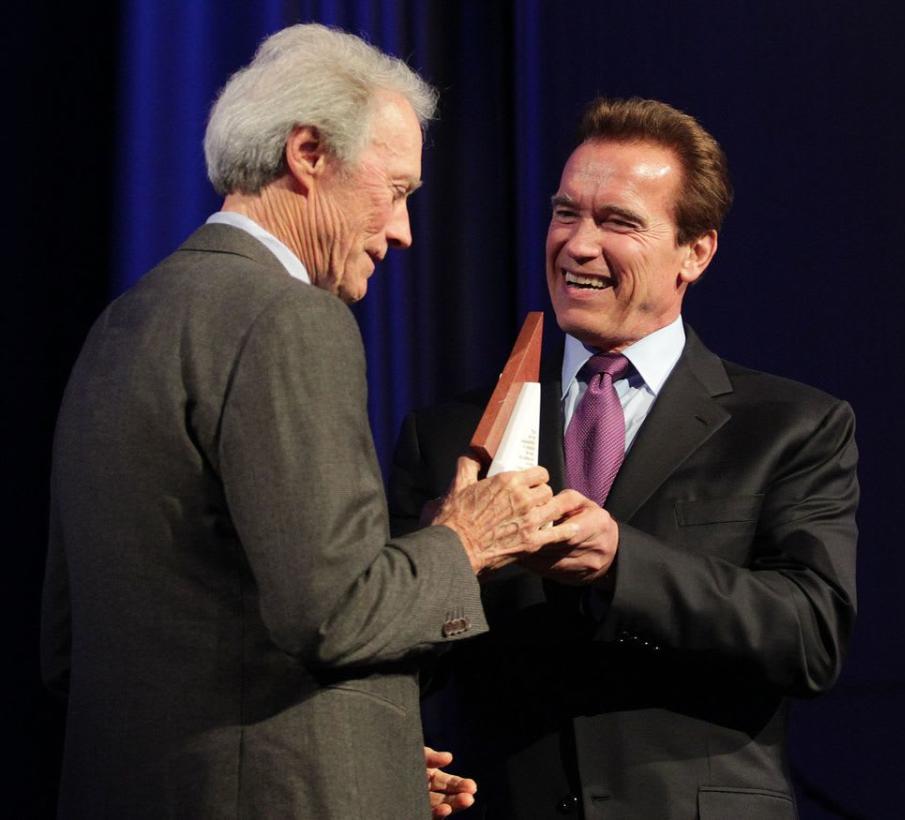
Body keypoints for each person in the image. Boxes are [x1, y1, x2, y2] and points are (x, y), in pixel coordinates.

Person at [41, 24, 578, 819]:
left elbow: (70, 646)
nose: (402, 232)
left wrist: (359, 747)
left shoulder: (123, 323)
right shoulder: (289, 318)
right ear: (309, 153)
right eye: (395, 191)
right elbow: (334, 612)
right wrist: (466, 539)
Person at [389, 98, 859, 819]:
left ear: (695, 252)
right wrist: (387, 749)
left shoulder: (790, 426)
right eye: (565, 212)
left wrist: (621, 564)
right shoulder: (450, 433)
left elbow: (811, 634)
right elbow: (394, 653)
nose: (577, 245)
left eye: (619, 222)